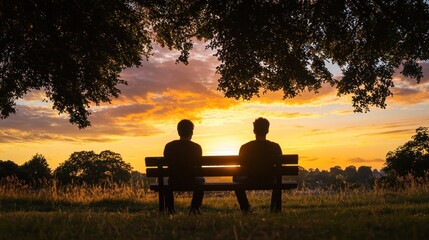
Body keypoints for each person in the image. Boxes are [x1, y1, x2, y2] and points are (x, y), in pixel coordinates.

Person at [234, 117, 282, 213]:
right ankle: (275, 208)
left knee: (235, 178)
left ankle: (245, 208)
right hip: (269, 179)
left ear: (254, 130)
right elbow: (279, 169)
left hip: (250, 179)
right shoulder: (275, 147)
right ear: (267, 130)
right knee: (278, 179)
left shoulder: (245, 148)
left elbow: (241, 168)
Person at [163, 119, 205, 214]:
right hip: (192, 181)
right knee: (201, 182)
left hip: (173, 181)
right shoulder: (196, 148)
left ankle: (171, 210)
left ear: (178, 131)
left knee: (166, 185)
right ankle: (194, 208)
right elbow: (199, 168)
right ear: (192, 132)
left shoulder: (169, 146)